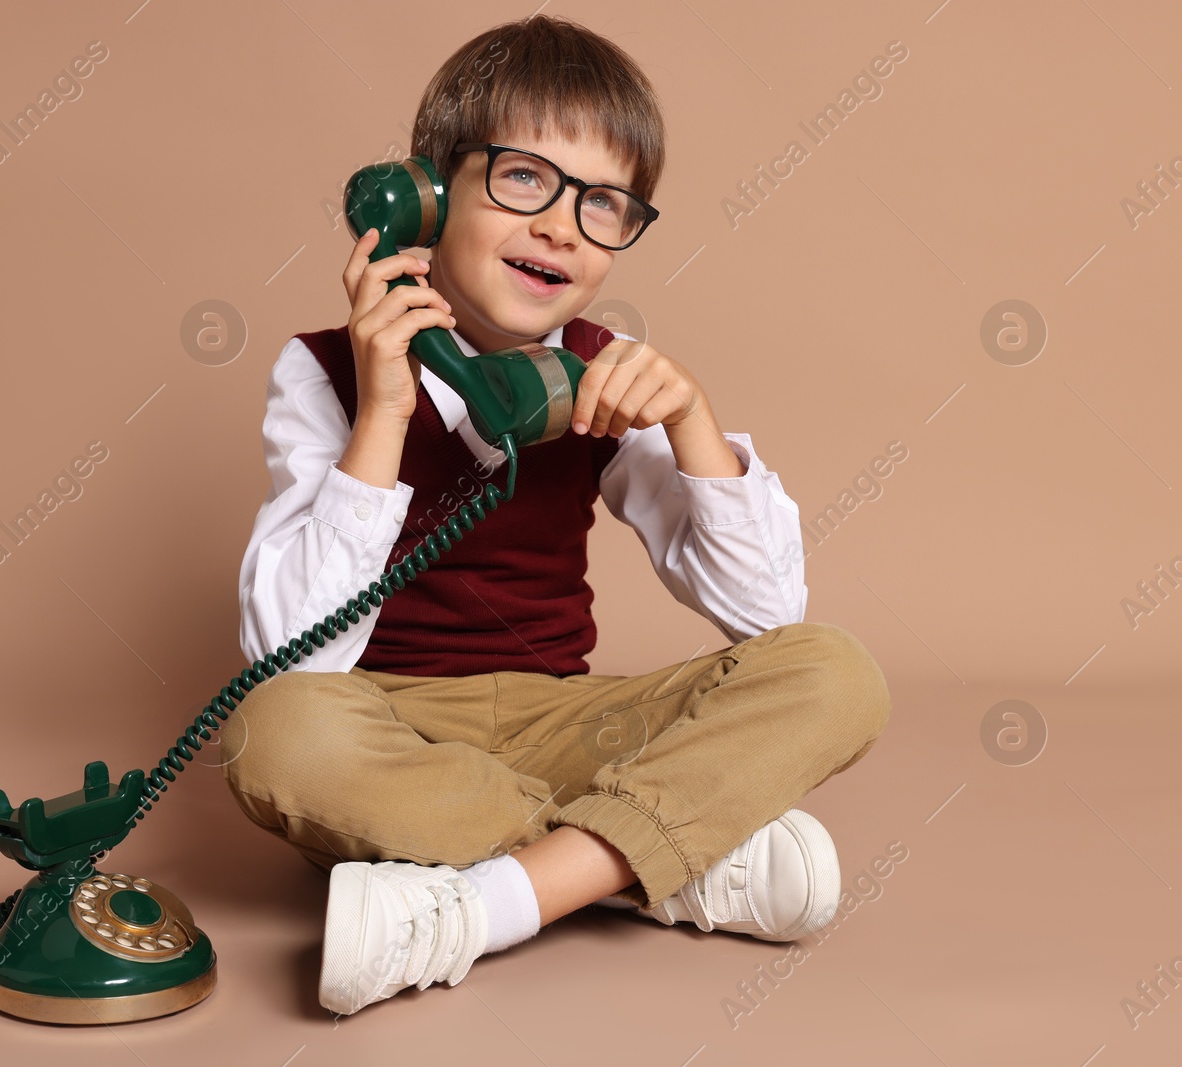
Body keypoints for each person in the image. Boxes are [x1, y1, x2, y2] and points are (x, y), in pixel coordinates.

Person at [221, 14, 891, 1017]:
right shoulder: (323, 370)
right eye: (525, 179)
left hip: (566, 718)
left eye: (606, 203)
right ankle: (665, 858)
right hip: (385, 721)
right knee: (270, 733)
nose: (562, 227)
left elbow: (769, 613)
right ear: (425, 193)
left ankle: (481, 902)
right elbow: (292, 655)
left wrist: (693, 420)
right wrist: (387, 407)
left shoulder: (592, 367)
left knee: (834, 669)